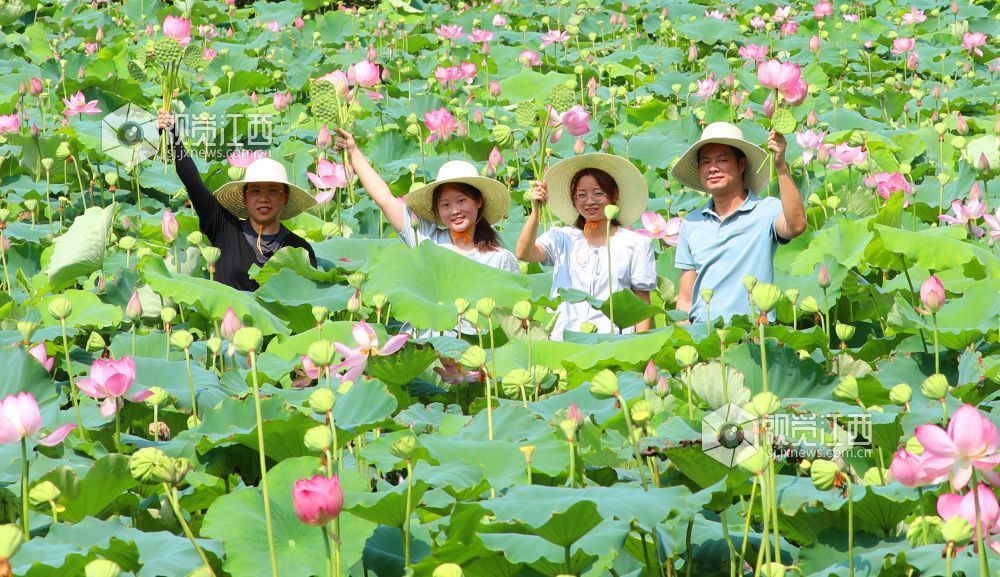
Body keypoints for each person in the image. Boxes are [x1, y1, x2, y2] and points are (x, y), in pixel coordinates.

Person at [156, 111, 317, 291]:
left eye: (273, 191)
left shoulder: (299, 250)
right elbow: (193, 183)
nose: (264, 198)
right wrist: (172, 137)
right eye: (255, 191)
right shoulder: (225, 229)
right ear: (244, 196)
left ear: (285, 197)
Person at [671, 122, 807, 325]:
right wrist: (683, 336)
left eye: (722, 160)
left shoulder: (766, 210)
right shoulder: (691, 222)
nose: (713, 168)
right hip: (703, 333)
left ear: (741, 165)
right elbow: (684, 298)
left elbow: (797, 225)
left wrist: (781, 168)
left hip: (754, 332)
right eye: (705, 162)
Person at [334, 128, 518, 273]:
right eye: (445, 204)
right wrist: (353, 152)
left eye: (461, 201)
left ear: (479, 201)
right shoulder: (425, 240)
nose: (454, 210)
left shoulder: (499, 259)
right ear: (437, 210)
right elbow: (385, 199)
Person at [516, 153, 656, 340]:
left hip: (613, 340)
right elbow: (523, 253)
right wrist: (535, 211)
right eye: (581, 195)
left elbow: (642, 304)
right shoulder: (562, 238)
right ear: (574, 200)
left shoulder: (636, 244)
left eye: (598, 193)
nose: (590, 201)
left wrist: (642, 349)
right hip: (564, 339)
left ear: (614, 195)